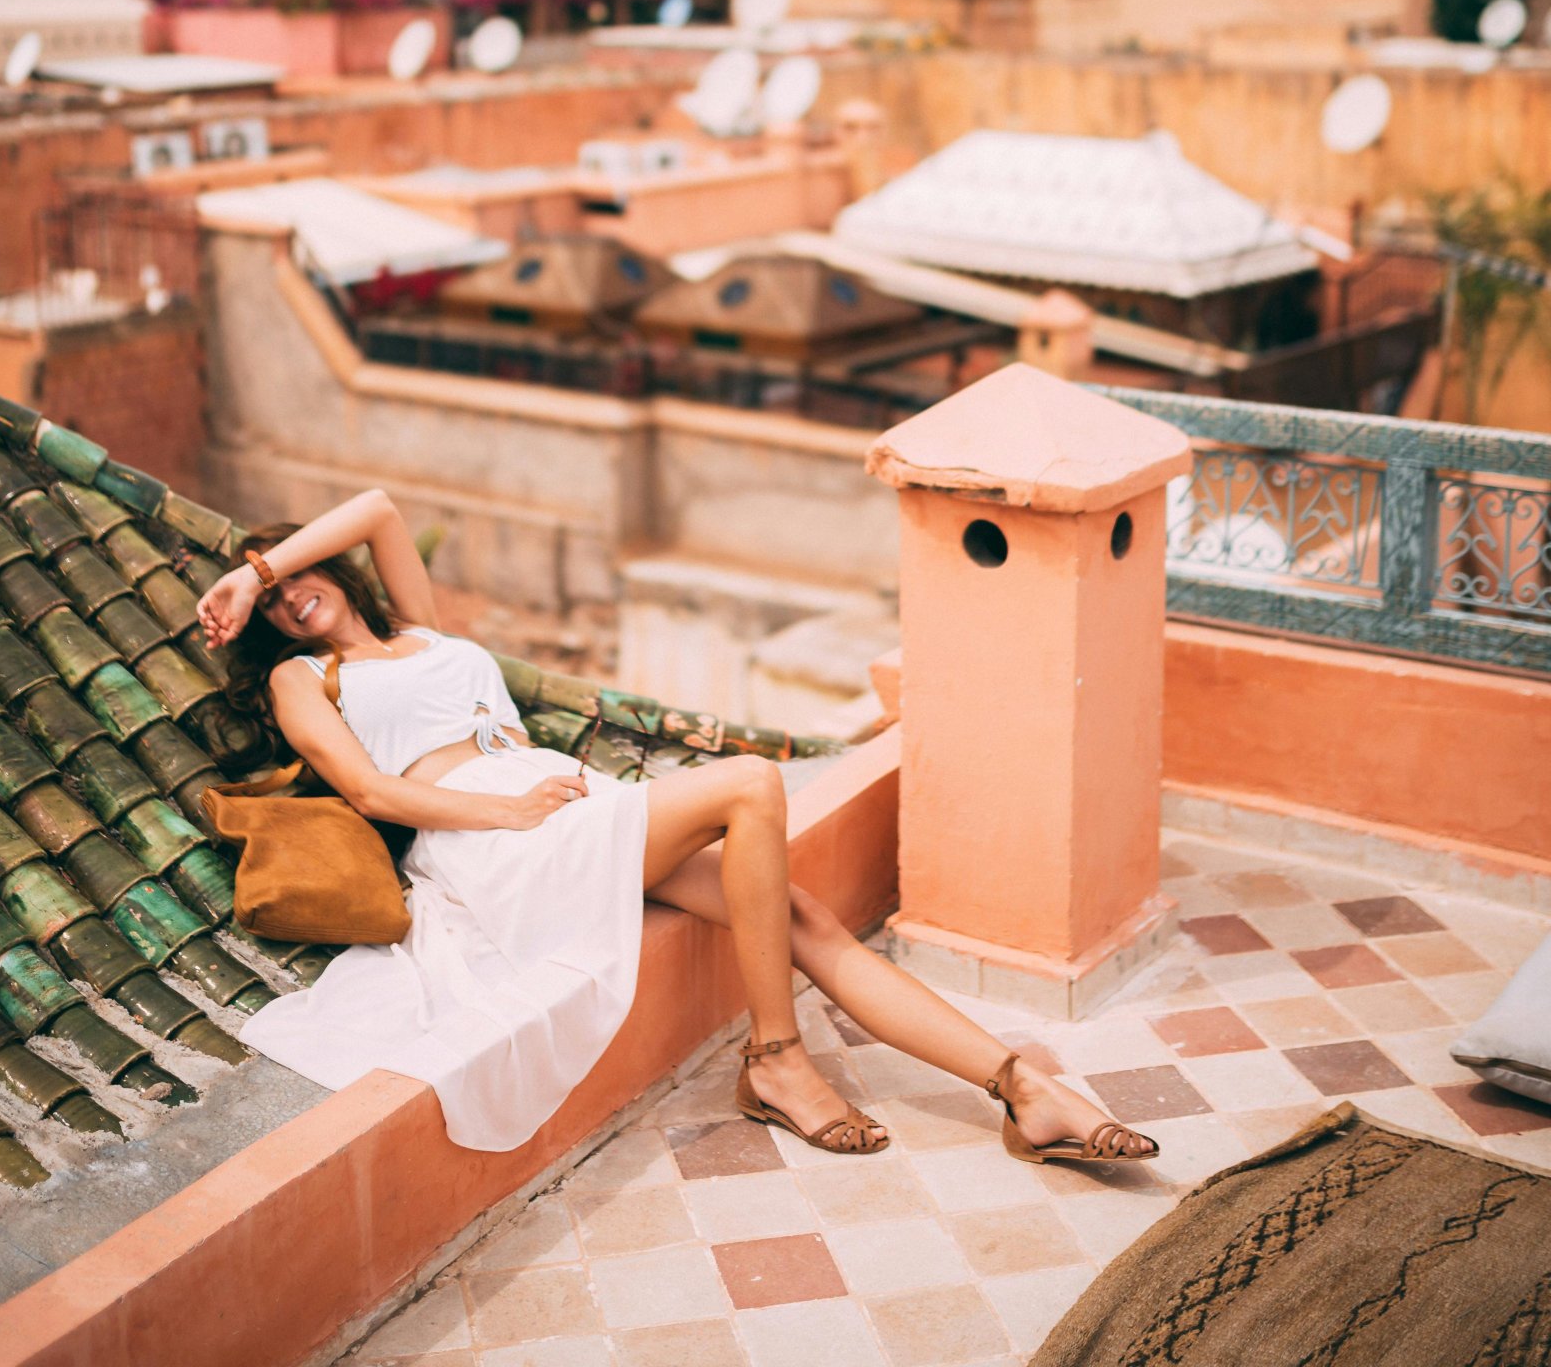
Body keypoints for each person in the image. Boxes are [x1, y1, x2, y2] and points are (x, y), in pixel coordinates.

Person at [197, 489, 1157, 1165]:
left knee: (803, 918)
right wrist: (505, 810)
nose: (288, 599)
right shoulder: (301, 679)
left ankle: (1021, 1088)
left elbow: (378, 508)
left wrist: (253, 567)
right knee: (748, 786)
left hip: (568, 810)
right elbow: (371, 792)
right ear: (269, 633)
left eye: (293, 576)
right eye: (271, 604)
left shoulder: (423, 628)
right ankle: (777, 1059)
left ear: (324, 562)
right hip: (496, 842)